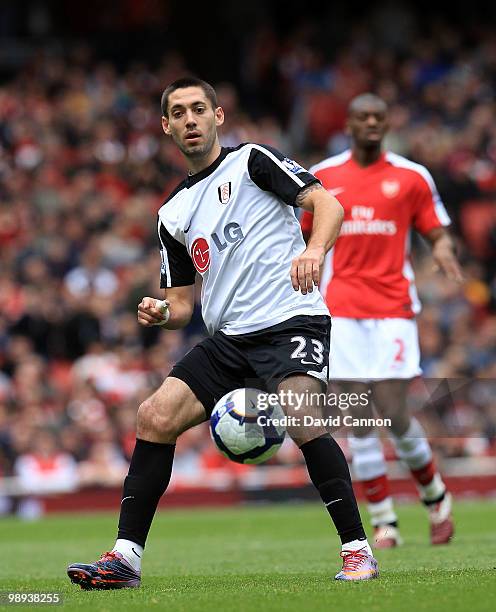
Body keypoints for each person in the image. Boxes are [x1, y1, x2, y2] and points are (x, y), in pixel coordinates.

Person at [67, 77, 379, 589]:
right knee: (154, 416)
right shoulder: (172, 213)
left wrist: (313, 251)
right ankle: (125, 560)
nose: (190, 120)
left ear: (218, 117)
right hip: (231, 337)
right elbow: (183, 305)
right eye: (179, 113)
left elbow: (328, 205)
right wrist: (159, 311)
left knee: (302, 415)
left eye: (198, 109)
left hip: (290, 320)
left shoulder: (253, 160)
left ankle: (358, 551)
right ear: (166, 126)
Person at [300, 93, 463, 548]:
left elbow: (435, 228)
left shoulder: (411, 176)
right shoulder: (325, 177)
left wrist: (445, 250)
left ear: (386, 123)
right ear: (348, 124)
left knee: (393, 411)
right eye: (362, 117)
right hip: (343, 309)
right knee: (356, 418)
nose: (371, 123)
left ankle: (435, 497)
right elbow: (303, 235)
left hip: (393, 308)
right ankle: (385, 521)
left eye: (378, 117)